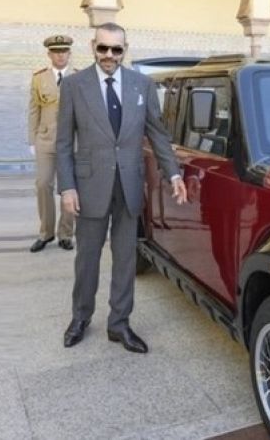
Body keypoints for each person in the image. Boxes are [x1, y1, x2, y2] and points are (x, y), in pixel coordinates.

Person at [56, 22, 188, 353]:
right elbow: (63, 143)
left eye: (116, 49)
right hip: (89, 187)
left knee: (126, 259)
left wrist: (174, 174)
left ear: (124, 50)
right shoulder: (74, 85)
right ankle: (80, 317)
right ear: (93, 46)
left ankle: (119, 324)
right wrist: (67, 187)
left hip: (129, 186)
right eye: (103, 48)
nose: (109, 55)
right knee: (87, 258)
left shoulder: (142, 85)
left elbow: (158, 134)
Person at [28, 34, 76, 252]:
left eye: (64, 51)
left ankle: (66, 234)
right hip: (46, 140)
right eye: (56, 52)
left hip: (72, 142)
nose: (60, 55)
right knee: (43, 184)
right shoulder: (39, 78)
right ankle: (45, 233)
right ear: (49, 54)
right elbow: (33, 110)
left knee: (69, 186)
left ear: (69, 53)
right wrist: (32, 139)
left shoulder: (79, 77)